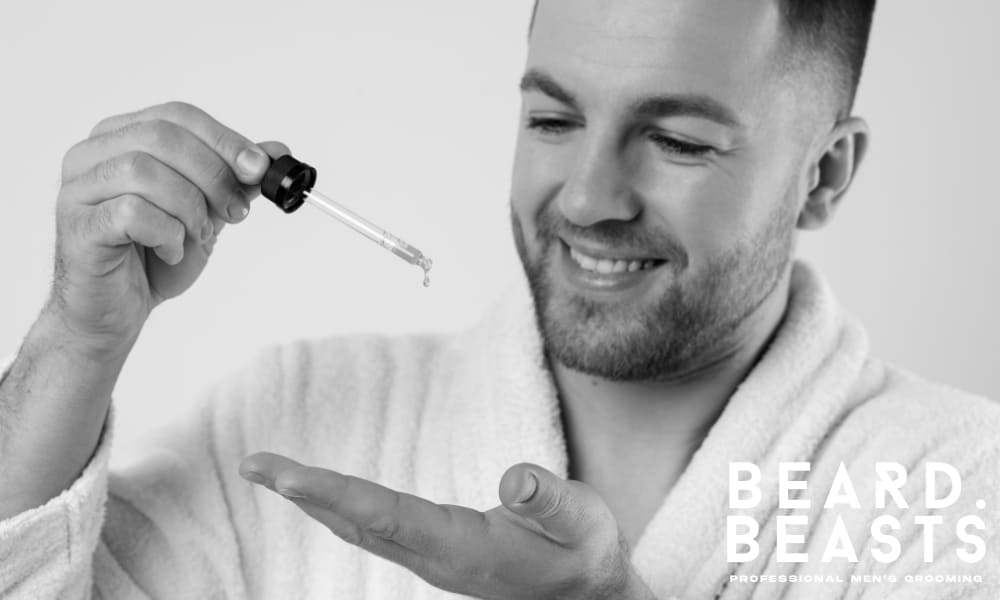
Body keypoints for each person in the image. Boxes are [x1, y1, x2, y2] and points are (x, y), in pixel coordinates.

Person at [1, 0, 997, 598]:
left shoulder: (956, 484)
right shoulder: (302, 417)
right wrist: (75, 343)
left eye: (680, 142)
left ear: (823, 176)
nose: (589, 200)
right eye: (554, 119)